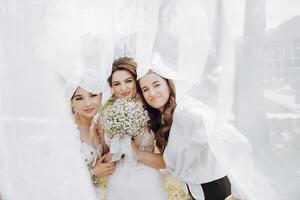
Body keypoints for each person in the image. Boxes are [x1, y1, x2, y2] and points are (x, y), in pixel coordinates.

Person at [137, 69, 249, 200]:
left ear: (168, 84)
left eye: (157, 85)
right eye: (145, 89)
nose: (152, 93)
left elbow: (236, 140)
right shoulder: (165, 117)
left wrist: (237, 193)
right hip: (197, 189)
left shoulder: (188, 113)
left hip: (214, 188)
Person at [104, 57, 168, 200]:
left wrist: (137, 152)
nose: (123, 88)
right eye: (117, 84)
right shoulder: (107, 114)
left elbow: (166, 161)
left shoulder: (153, 110)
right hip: (118, 181)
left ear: (136, 81)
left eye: (128, 81)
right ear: (111, 87)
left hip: (147, 180)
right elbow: (105, 155)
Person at [69, 69, 116, 199]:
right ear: (72, 102)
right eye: (79, 98)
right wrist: (93, 172)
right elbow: (57, 176)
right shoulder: (68, 131)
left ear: (101, 96)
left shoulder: (101, 124)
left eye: (93, 95)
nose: (88, 103)